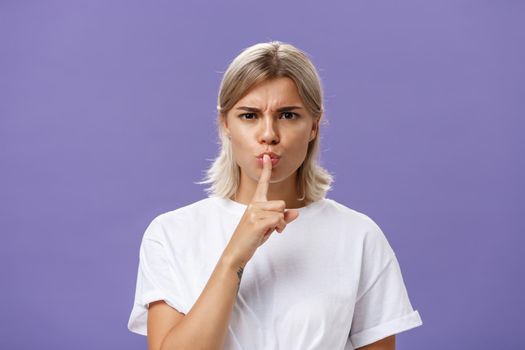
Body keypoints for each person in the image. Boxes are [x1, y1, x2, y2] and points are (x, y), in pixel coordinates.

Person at [127, 41, 423, 350]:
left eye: (288, 115)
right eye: (250, 116)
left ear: (314, 126)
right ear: (225, 124)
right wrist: (234, 257)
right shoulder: (171, 233)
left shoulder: (359, 236)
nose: (268, 134)